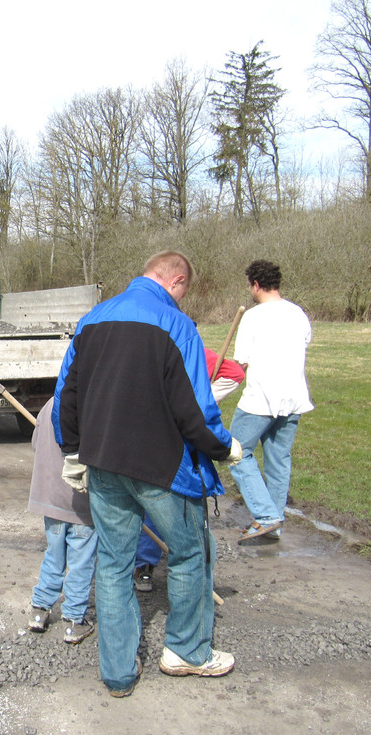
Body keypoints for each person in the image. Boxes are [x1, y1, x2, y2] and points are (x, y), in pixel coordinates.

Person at [53, 250, 241, 698]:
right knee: (191, 552)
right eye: (184, 290)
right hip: (162, 468)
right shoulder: (178, 325)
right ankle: (187, 652)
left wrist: (73, 451)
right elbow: (195, 407)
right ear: (176, 281)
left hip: (103, 464)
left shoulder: (92, 320)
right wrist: (223, 447)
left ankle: (117, 672)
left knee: (114, 565)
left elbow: (66, 395)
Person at [135, 350, 246, 592]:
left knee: (171, 503)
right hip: (156, 437)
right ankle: (149, 565)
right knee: (159, 502)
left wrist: (200, 401)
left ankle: (183, 575)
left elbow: (235, 373)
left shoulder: (191, 352)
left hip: (175, 441)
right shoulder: (158, 347)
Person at [229, 260, 313, 542]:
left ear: (255, 284)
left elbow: (242, 361)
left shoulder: (253, 317)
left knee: (236, 454)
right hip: (294, 399)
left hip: (260, 400)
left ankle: (267, 516)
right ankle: (273, 524)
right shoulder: (298, 313)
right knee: (279, 462)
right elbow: (304, 343)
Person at [26, 396, 98, 645]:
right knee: (81, 561)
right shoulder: (90, 405)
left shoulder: (50, 404)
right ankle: (74, 620)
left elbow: (37, 444)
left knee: (54, 554)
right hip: (80, 503)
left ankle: (39, 611)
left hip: (50, 500)